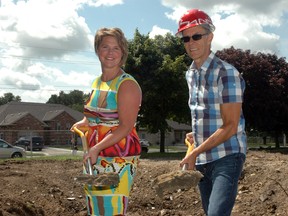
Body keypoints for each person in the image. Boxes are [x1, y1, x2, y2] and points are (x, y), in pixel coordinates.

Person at [177, 9, 247, 216]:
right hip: (203, 160)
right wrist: (195, 135)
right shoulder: (191, 74)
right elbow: (205, 114)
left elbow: (230, 126)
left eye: (197, 36)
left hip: (227, 155)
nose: (191, 42)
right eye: (186, 38)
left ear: (210, 37)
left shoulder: (226, 73)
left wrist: (196, 151)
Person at [71, 27, 142, 216]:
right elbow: (93, 117)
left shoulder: (126, 85)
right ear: (97, 51)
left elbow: (126, 126)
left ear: (123, 53)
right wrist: (83, 123)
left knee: (112, 209)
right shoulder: (96, 83)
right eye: (105, 47)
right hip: (93, 156)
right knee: (95, 209)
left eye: (116, 48)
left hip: (117, 157)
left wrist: (96, 148)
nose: (110, 53)